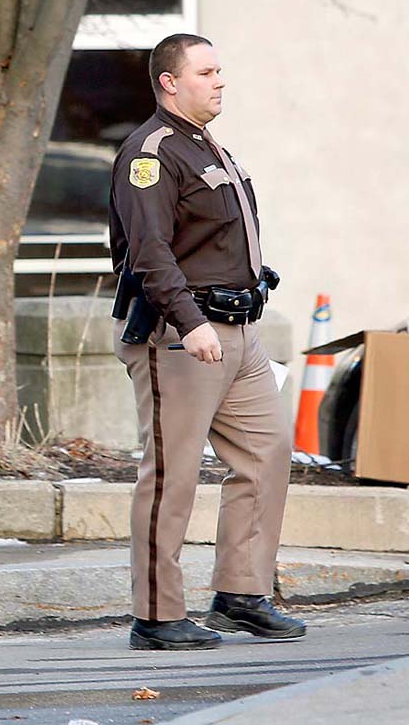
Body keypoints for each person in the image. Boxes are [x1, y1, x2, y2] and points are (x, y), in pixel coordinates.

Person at [109, 34, 305, 651]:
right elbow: (149, 251)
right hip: (180, 334)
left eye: (220, 71)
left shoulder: (208, 146)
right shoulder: (150, 152)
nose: (219, 81)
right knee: (172, 475)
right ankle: (156, 616)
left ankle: (241, 594)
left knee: (268, 454)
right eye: (206, 72)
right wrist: (189, 321)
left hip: (239, 332)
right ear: (169, 82)